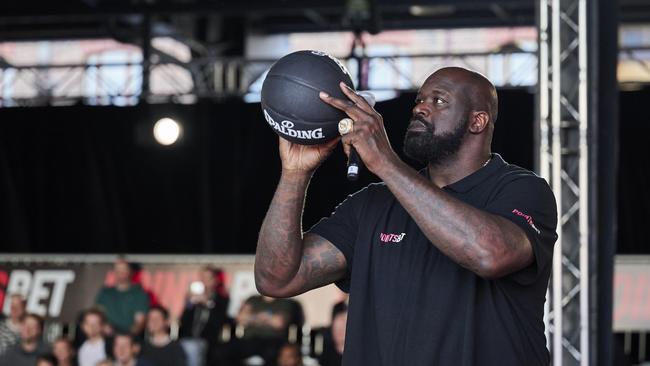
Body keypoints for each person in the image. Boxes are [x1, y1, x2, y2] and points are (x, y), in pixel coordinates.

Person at [255, 67, 558, 365]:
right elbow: (277, 280)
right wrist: (295, 172)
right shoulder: (373, 204)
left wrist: (385, 161)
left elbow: (490, 255)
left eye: (439, 101)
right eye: (419, 100)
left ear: (477, 121)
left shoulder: (522, 190)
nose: (421, 108)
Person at [178, 266, 229, 366]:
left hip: (208, 341)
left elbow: (220, 321)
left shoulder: (221, 299)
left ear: (215, 280)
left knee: (192, 348)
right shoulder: (194, 298)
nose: (204, 281)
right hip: (187, 338)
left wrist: (208, 303)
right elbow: (183, 321)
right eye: (202, 278)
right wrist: (190, 303)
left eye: (207, 278)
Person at [95, 258, 149, 336]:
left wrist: (126, 336)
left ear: (130, 271)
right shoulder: (105, 292)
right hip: (107, 337)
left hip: (130, 338)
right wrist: (105, 327)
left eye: (124, 270)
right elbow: (98, 314)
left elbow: (139, 321)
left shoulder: (139, 293)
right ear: (114, 272)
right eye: (118, 270)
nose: (121, 273)